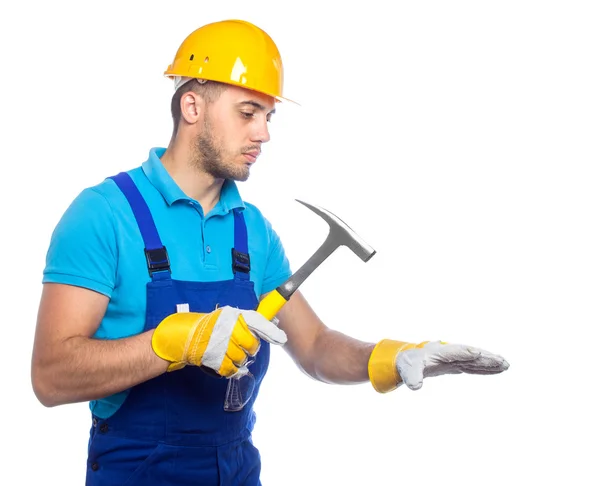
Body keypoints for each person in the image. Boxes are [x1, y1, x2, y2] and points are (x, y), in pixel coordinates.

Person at [31, 19, 510, 486]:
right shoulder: (103, 215)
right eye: (247, 113)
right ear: (192, 105)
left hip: (238, 470)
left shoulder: (252, 230)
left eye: (268, 116)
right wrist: (173, 342)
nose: (263, 134)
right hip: (138, 473)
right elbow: (51, 377)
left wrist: (389, 357)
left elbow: (316, 347)